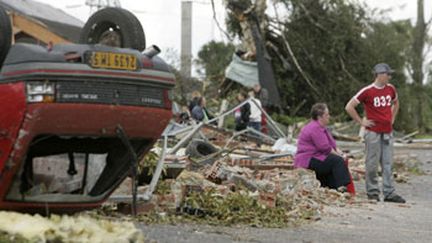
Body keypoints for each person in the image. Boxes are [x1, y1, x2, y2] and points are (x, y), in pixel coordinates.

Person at [345, 63, 405, 203]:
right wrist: (361, 122)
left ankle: (389, 192)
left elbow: (396, 103)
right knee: (371, 164)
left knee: (388, 163)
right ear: (379, 75)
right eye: (387, 74)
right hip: (373, 133)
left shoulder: (391, 89)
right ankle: (372, 192)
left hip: (387, 132)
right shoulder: (368, 91)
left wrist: (392, 118)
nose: (389, 77)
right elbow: (349, 106)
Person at [294, 103, 351, 191]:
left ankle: (333, 188)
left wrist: (341, 153)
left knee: (332, 162)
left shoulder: (320, 127)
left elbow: (332, 145)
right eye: (327, 114)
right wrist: (340, 156)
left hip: (315, 156)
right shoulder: (314, 128)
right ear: (320, 117)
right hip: (307, 159)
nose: (329, 116)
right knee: (337, 161)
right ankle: (342, 186)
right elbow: (325, 148)